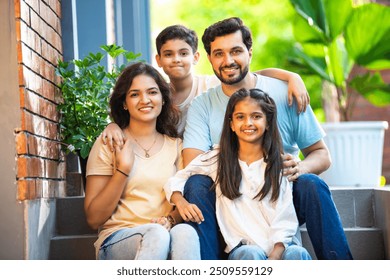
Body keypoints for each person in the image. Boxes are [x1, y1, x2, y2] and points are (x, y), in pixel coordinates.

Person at [180, 17, 352, 260]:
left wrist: (300, 167)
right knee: (196, 183)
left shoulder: (286, 93)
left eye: (236, 51)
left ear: (250, 53)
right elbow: (193, 165)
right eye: (219, 54)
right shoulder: (203, 105)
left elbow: (322, 155)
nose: (228, 61)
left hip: (281, 194)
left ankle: (341, 268)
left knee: (312, 184)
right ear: (209, 58)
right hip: (233, 200)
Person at [164, 88, 312, 260]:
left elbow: (285, 217)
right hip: (243, 247)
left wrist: (275, 256)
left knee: (298, 253)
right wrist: (180, 202)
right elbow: (178, 179)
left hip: (282, 246)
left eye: (256, 116)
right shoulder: (217, 160)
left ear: (268, 122)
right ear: (232, 124)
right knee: (251, 254)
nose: (248, 123)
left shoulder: (279, 164)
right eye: (240, 117)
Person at [101, 24, 310, 145]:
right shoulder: (157, 96)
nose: (176, 59)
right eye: (168, 54)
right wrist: (112, 125)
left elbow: (248, 76)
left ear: (196, 57)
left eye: (183, 53)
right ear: (158, 60)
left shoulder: (211, 86)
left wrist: (292, 77)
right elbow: (134, 118)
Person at [84, 62, 200, 260]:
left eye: (152, 92)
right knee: (156, 235)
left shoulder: (177, 146)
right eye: (135, 94)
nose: (145, 99)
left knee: (185, 232)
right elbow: (94, 218)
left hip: (163, 232)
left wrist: (170, 220)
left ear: (163, 99)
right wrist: (123, 170)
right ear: (124, 103)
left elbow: (183, 204)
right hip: (117, 239)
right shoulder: (109, 143)